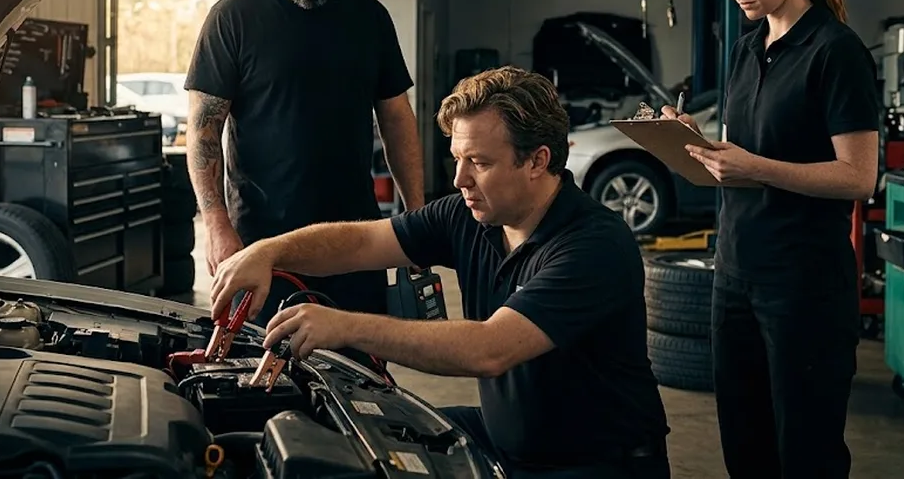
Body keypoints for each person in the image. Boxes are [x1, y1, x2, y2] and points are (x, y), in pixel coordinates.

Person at [211, 66, 671, 479]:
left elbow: (489, 349)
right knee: (362, 435)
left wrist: (344, 326)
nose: (459, 179)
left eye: (481, 163)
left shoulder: (594, 245)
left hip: (598, 464)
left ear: (538, 161)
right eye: (458, 158)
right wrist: (268, 252)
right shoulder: (468, 215)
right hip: (508, 439)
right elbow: (363, 241)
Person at [662, 0, 881, 478]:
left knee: (805, 454)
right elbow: (740, 154)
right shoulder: (745, 50)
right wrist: (689, 140)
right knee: (746, 447)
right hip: (734, 276)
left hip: (803, 287)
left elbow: (860, 177)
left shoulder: (836, 53)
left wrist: (756, 167)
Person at [184, 0, 425, 325]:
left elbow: (397, 118)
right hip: (261, 244)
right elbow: (202, 132)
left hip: (356, 242)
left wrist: (416, 215)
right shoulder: (233, 19)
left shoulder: (369, 18)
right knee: (264, 378)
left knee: (362, 374)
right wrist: (216, 225)